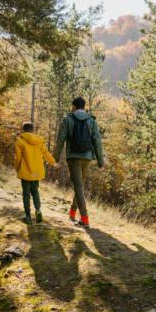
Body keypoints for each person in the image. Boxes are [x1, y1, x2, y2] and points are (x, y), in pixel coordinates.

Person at [53, 96, 104, 228]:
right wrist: (100, 161)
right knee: (79, 185)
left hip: (74, 157)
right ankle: (72, 212)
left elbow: (60, 139)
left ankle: (85, 219)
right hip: (87, 157)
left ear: (74, 106)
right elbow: (97, 141)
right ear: (84, 107)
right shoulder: (91, 120)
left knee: (78, 186)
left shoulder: (68, 119)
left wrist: (55, 157)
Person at [14, 122, 57, 223]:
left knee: (26, 194)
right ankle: (38, 211)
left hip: (25, 171)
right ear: (33, 130)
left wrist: (17, 168)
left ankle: (28, 216)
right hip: (37, 172)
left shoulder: (20, 141)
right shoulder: (40, 141)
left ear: (23, 130)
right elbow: (46, 153)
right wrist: (53, 162)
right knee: (35, 192)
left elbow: (18, 158)